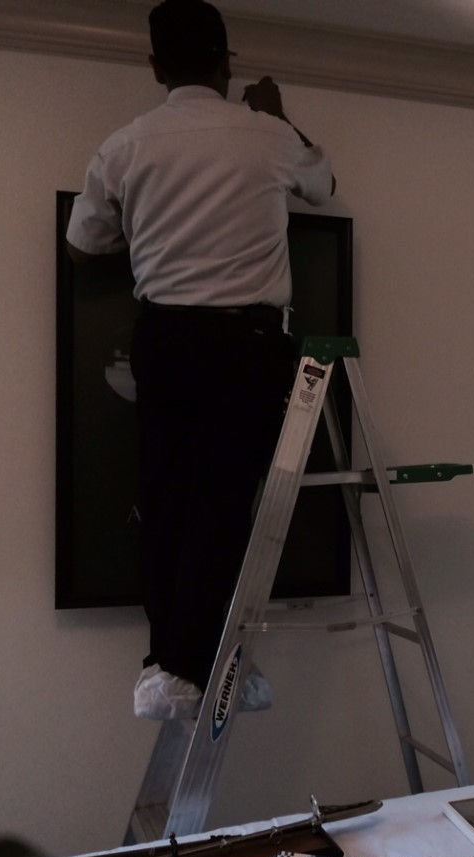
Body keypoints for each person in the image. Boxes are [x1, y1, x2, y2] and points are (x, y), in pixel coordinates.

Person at [66, 0, 335, 719]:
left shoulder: (124, 145)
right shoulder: (266, 135)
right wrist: (280, 114)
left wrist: (153, 229)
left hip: (166, 341)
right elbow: (323, 185)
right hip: (246, 344)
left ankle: (169, 665)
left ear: (155, 67)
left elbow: (82, 246)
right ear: (227, 62)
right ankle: (199, 667)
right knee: (223, 502)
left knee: (165, 500)